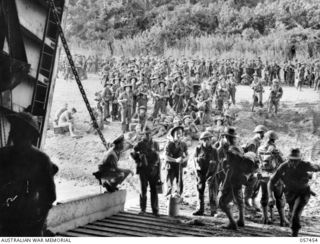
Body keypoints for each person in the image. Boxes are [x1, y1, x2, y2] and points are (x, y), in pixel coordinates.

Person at [0, 112, 58, 236]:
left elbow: (49, 197)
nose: (15, 133)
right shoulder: (3, 155)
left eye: (20, 130)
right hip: (5, 220)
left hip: (30, 221)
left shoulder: (41, 160)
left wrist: (38, 224)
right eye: (14, 129)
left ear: (30, 136)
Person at [268, 148, 320, 237]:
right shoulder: (283, 166)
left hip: (303, 193)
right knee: (292, 214)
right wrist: (270, 196)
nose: (293, 163)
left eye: (296, 161)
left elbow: (317, 167)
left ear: (300, 160)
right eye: (291, 160)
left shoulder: (305, 165)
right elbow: (271, 181)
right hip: (290, 194)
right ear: (288, 159)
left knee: (296, 214)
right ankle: (293, 224)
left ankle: (294, 235)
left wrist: (315, 168)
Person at [218, 127, 258, 230]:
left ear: (227, 137)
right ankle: (241, 220)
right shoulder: (238, 147)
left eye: (224, 137)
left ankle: (232, 223)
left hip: (232, 177)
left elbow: (230, 165)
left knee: (222, 202)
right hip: (240, 177)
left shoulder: (230, 149)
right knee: (239, 198)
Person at [257, 130, 288, 226]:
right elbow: (283, 162)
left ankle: (265, 218)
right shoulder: (275, 150)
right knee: (279, 197)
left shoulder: (260, 148)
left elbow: (258, 161)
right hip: (275, 177)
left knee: (264, 196)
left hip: (263, 176)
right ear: (274, 140)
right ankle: (283, 220)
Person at [132, 127, 161, 217]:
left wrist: (157, 171)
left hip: (153, 170)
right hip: (143, 170)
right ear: (143, 134)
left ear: (151, 134)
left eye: (149, 133)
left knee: (154, 190)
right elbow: (133, 153)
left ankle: (155, 210)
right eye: (146, 134)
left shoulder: (155, 144)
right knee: (143, 190)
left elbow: (158, 157)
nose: (148, 135)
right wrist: (138, 159)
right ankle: (143, 209)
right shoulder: (139, 144)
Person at [193, 131, 219, 216]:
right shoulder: (198, 149)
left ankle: (214, 211)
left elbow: (217, 164)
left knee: (212, 192)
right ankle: (200, 209)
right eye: (204, 140)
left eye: (208, 139)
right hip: (201, 172)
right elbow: (194, 161)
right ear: (202, 140)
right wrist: (197, 173)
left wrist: (213, 175)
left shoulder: (214, 150)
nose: (207, 141)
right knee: (200, 190)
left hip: (211, 173)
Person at [243, 125, 267, 211]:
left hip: (256, 167)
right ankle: (246, 201)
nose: (263, 136)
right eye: (262, 134)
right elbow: (250, 158)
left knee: (258, 183)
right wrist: (254, 170)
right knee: (252, 182)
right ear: (258, 133)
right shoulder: (252, 143)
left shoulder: (258, 142)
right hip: (249, 168)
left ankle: (253, 201)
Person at [164, 125, 189, 197]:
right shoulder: (169, 144)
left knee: (179, 183)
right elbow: (165, 157)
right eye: (177, 133)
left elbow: (187, 155)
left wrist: (184, 160)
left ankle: (178, 197)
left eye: (180, 133)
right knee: (169, 183)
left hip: (179, 166)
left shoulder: (183, 144)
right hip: (170, 166)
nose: (179, 135)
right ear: (173, 135)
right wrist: (175, 160)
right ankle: (168, 198)